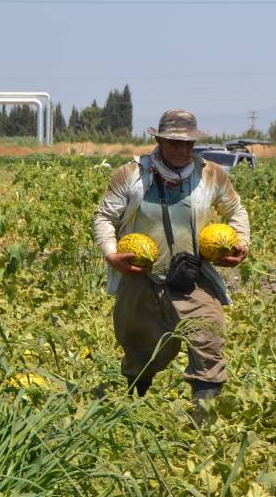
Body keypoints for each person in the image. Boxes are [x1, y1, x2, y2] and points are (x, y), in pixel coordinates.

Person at [92, 109, 250, 403]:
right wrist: (112, 255)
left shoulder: (211, 174)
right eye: (176, 142)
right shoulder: (132, 174)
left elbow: (236, 211)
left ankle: (205, 424)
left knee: (208, 341)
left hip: (192, 278)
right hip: (140, 276)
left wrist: (241, 243)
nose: (184, 149)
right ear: (160, 140)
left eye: (189, 143)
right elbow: (104, 217)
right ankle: (134, 405)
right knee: (141, 350)